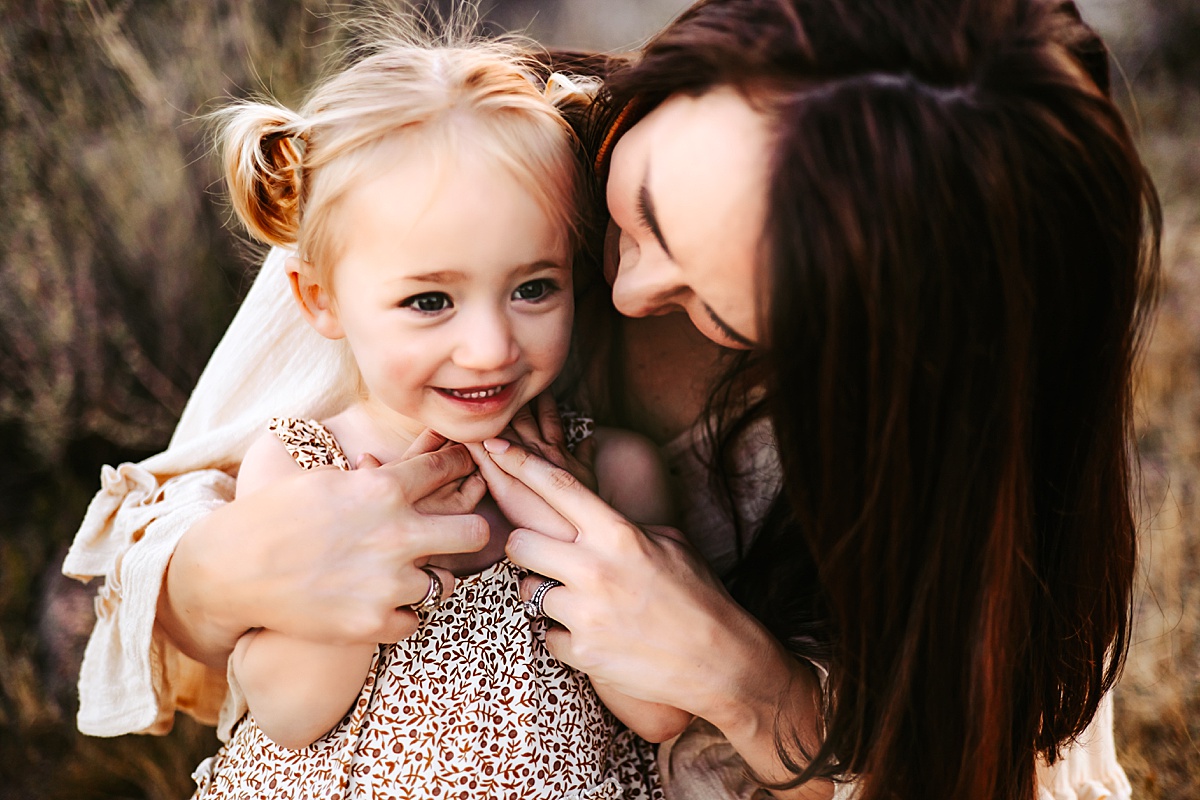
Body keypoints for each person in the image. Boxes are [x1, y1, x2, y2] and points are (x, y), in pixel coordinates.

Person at [64, 1, 1159, 799]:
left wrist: (747, 680)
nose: (623, 291)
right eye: (634, 216)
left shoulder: (955, 435)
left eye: (730, 312)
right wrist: (225, 573)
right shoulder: (454, 173)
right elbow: (177, 588)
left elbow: (980, 763)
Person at [178, 27, 689, 799]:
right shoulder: (306, 465)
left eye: (533, 288)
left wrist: (565, 529)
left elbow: (660, 713)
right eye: (429, 300)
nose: (489, 348)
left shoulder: (614, 471)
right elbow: (286, 713)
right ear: (323, 301)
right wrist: (386, 563)